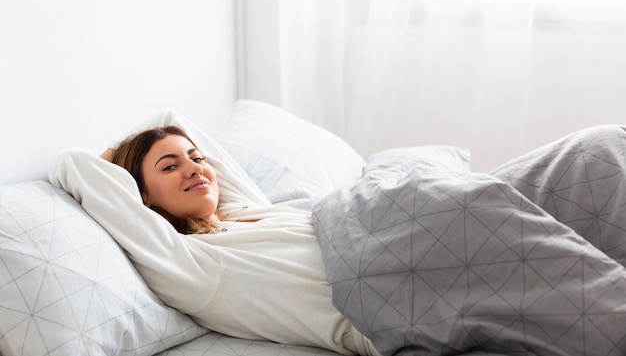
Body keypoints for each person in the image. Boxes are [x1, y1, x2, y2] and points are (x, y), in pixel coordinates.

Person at [50, 110, 626, 356]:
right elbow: (76, 166)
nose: (196, 168)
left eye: (195, 159)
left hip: (388, 220)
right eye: (170, 167)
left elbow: (203, 146)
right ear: (140, 196)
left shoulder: (250, 213)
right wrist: (115, 164)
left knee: (597, 154)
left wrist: (181, 152)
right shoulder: (187, 264)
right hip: (382, 278)